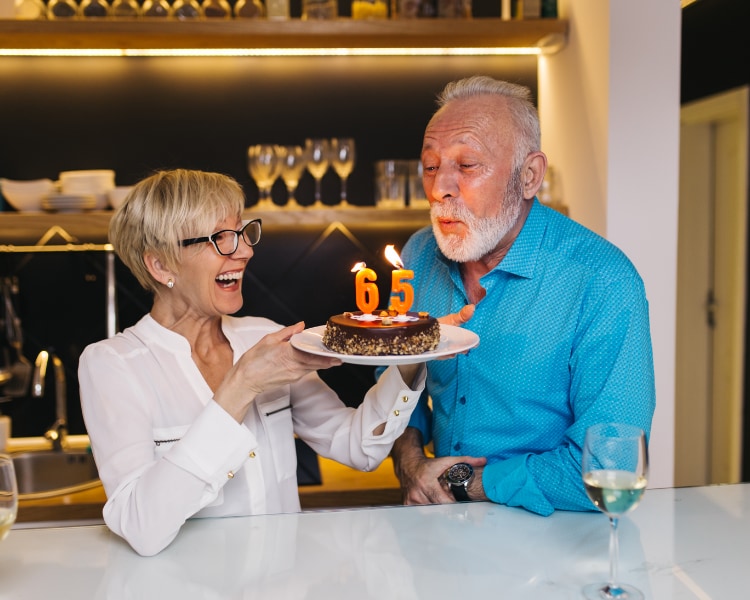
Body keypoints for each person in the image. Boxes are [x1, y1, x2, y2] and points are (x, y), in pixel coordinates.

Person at [78, 169, 444, 556]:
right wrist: (241, 386)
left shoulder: (261, 336)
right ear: (161, 266)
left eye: (241, 232)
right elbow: (141, 527)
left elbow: (358, 447)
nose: (245, 251)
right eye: (220, 238)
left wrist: (410, 356)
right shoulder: (112, 365)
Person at [389, 75, 656, 515]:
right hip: (432, 528)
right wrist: (412, 462)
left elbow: (613, 465)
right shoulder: (418, 255)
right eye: (431, 166)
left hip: (559, 541)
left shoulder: (603, 282)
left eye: (467, 166)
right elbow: (401, 389)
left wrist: (467, 483)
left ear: (529, 176)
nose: (440, 189)